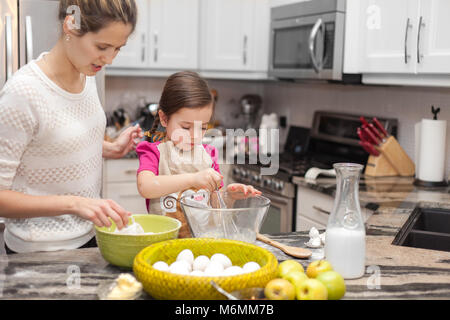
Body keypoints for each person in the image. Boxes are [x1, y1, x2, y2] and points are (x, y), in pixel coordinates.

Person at [0, 0, 142, 254]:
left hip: (90, 238)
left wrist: (109, 148)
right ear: (71, 25)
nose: (109, 59)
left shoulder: (86, 75)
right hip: (39, 253)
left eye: (118, 49)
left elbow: (52, 141)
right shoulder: (23, 93)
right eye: (102, 47)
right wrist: (74, 204)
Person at [136, 71, 260, 237]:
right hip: (164, 244)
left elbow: (216, 207)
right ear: (164, 119)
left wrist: (229, 196)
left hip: (203, 242)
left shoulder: (208, 155)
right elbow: (146, 187)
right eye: (186, 127)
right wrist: (193, 179)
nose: (195, 135)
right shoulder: (153, 152)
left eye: (202, 127)